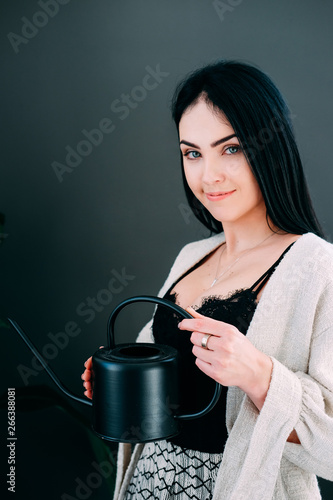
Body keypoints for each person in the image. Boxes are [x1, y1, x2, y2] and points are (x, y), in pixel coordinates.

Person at [81, 60, 333, 499]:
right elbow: (169, 395)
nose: (208, 175)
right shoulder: (192, 256)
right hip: (150, 483)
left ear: (269, 147)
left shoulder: (317, 266)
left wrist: (259, 375)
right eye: (192, 153)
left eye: (230, 148)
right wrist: (122, 382)